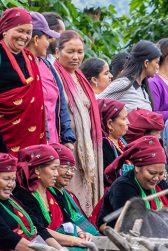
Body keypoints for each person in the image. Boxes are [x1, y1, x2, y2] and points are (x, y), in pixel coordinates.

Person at [0, 7, 46, 156]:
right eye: (20, 30)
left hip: (30, 138)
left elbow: (39, 104)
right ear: (5, 30)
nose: (24, 37)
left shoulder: (30, 57)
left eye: (28, 32)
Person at [54, 30, 103, 213]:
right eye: (70, 52)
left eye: (80, 52)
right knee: (70, 190)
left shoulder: (80, 77)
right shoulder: (55, 75)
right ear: (58, 52)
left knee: (85, 191)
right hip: (68, 146)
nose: (76, 57)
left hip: (86, 146)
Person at [13, 144, 91, 250]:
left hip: (63, 243)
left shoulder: (52, 192)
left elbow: (67, 219)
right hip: (47, 247)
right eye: (54, 169)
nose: (56, 174)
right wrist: (74, 241)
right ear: (37, 170)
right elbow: (40, 229)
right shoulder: (23, 195)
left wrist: (81, 232)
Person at [96, 136, 168, 227]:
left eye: (161, 174)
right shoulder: (123, 187)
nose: (157, 178)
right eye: (152, 173)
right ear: (137, 167)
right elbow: (127, 224)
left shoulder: (160, 183)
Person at [27, 12, 74, 148]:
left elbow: (61, 105)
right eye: (47, 38)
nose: (50, 43)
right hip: (33, 143)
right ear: (36, 39)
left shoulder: (48, 66)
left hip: (53, 143)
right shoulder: (22, 66)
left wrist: (67, 138)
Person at [99, 40, 160, 111]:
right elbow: (96, 104)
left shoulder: (142, 87)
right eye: (157, 62)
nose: (158, 66)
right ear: (146, 63)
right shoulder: (124, 83)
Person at [51, 144, 97, 236]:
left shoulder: (70, 195)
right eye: (65, 168)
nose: (69, 173)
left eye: (72, 169)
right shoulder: (47, 194)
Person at [98, 98, 128, 178]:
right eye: (124, 119)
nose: (128, 122)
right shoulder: (104, 146)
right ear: (109, 124)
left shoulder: (122, 141)